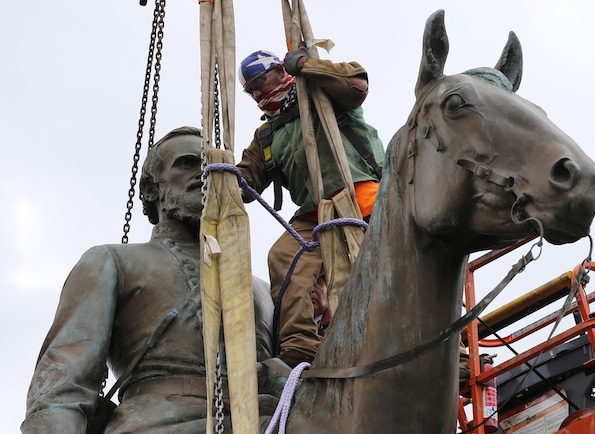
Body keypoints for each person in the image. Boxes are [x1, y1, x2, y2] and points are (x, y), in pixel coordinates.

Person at [21, 127, 279, 434]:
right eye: (186, 163)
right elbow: (61, 385)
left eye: (210, 165)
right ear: (150, 189)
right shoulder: (112, 261)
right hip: (155, 424)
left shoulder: (262, 289)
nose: (204, 173)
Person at [236, 49, 385, 368]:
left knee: (391, 271)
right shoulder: (267, 134)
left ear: (278, 70)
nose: (257, 93)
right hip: (315, 214)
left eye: (259, 82)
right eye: (251, 90)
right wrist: (228, 179)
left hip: (363, 197)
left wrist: (306, 65)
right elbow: (248, 177)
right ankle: (299, 342)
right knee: (283, 256)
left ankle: (443, 345)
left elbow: (356, 83)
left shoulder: (319, 93)